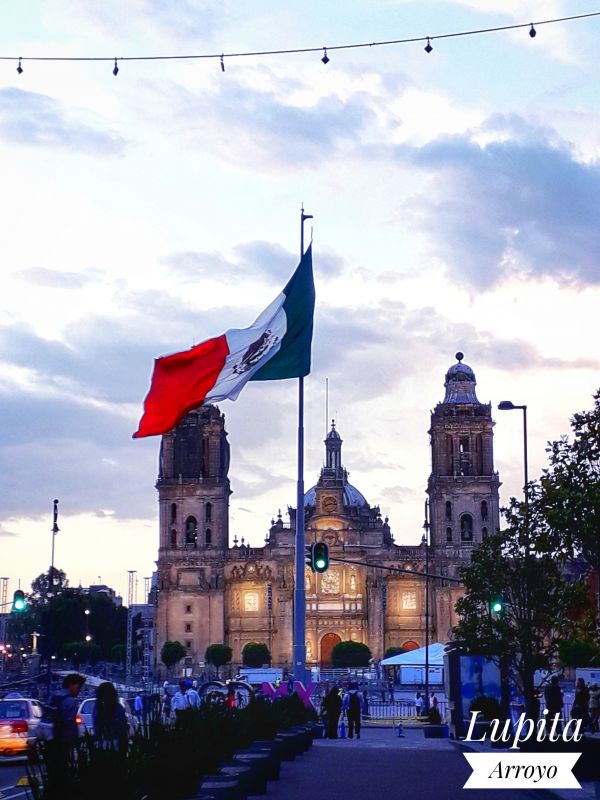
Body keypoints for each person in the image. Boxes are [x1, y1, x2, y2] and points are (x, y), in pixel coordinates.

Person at [52, 673, 86, 747]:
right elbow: (71, 725)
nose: (79, 690)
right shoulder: (71, 702)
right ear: (71, 685)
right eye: (78, 687)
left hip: (50, 737)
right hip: (64, 740)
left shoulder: (53, 696)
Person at [93, 682, 128, 750]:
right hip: (117, 743)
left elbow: (96, 727)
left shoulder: (97, 708)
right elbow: (122, 727)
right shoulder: (118, 708)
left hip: (101, 744)